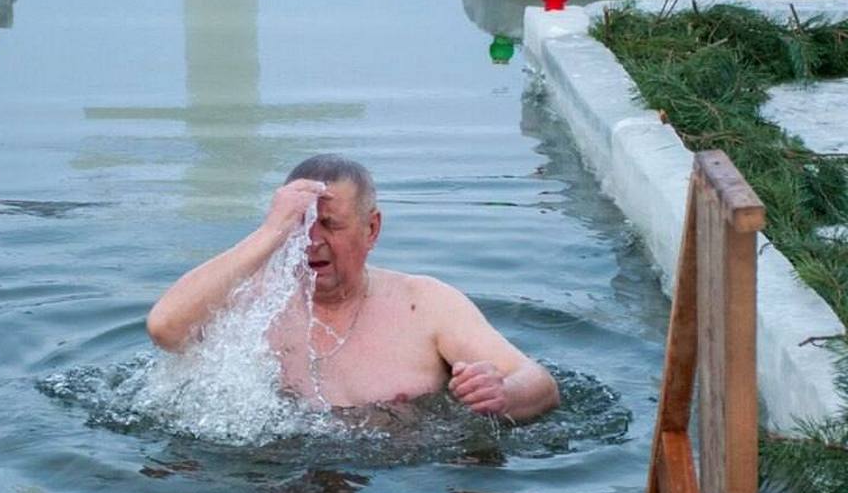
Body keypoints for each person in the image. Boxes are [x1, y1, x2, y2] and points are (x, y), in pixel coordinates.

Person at [146, 154, 559, 421]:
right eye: (299, 225)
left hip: (398, 485)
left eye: (329, 225)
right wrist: (270, 232)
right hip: (278, 483)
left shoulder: (424, 304)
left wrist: (501, 394)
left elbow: (540, 383)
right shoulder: (255, 300)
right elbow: (165, 328)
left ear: (371, 229)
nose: (312, 241)